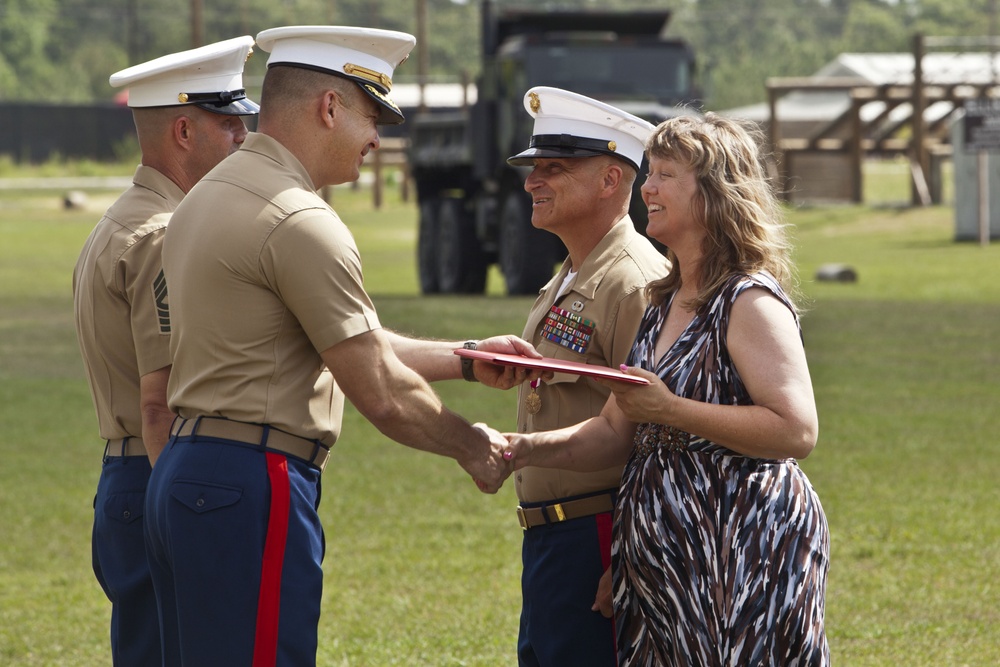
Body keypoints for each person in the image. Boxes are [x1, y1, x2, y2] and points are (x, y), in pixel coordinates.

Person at [148, 25, 537, 667]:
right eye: (371, 114)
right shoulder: (300, 221)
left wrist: (466, 359)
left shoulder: (207, 196)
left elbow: (335, 341)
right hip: (253, 482)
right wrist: (475, 446)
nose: (377, 137)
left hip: (189, 476)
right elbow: (378, 390)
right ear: (330, 107)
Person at [504, 112, 830, 666]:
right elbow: (614, 429)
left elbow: (795, 430)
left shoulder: (748, 300)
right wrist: (516, 449)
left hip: (738, 547)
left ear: (716, 191)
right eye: (649, 172)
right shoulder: (664, 301)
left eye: (664, 175)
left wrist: (672, 409)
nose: (646, 188)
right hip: (664, 558)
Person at [71, 36, 259, 665]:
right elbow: (161, 403)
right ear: (183, 129)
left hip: (127, 475)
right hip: (159, 473)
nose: (243, 139)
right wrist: (179, 517)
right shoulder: (163, 233)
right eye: (229, 124)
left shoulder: (121, 219)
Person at [504, 87, 670, 667]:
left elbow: (657, 435)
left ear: (611, 181)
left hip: (599, 536)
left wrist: (630, 554)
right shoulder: (574, 272)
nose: (533, 181)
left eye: (556, 168)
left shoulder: (634, 281)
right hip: (555, 537)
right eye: (533, 168)